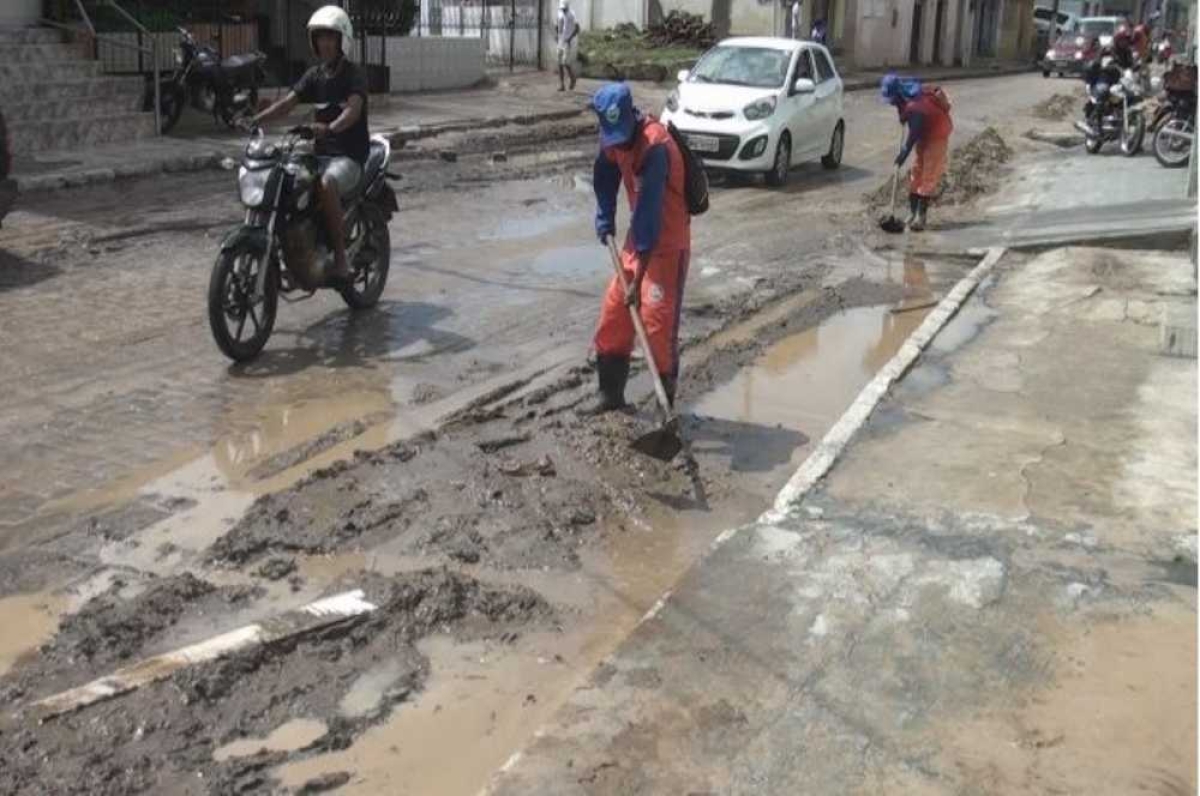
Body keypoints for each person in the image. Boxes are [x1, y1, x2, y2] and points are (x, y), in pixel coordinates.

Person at [585, 83, 691, 414]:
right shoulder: (613, 137)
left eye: (621, 135)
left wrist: (639, 277)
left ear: (631, 116)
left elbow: (649, 214)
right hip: (637, 242)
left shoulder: (655, 145)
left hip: (666, 244)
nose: (617, 142)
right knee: (615, 311)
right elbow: (604, 174)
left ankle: (664, 413)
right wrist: (605, 217)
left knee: (656, 325)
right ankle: (610, 395)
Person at [249, 5, 368, 284]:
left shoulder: (354, 74)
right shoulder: (314, 75)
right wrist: (256, 120)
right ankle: (294, 250)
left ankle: (340, 259)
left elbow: (353, 111)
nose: (324, 43)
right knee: (287, 180)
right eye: (320, 38)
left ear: (342, 41)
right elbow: (287, 103)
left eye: (330, 37)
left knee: (326, 184)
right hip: (321, 153)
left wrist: (329, 128)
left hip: (349, 156)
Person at [881, 73, 953, 232]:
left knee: (929, 174)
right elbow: (906, 115)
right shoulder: (906, 95)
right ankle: (912, 214)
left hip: (937, 134)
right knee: (916, 172)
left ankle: (921, 218)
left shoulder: (916, 108)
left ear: (897, 94)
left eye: (891, 98)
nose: (891, 102)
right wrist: (902, 115)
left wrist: (902, 155)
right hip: (924, 133)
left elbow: (912, 136)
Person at [557, 0, 580, 92]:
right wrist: (557, 35)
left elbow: (578, 28)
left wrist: (570, 38)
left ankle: (573, 78)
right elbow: (559, 25)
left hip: (568, 41)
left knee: (565, 62)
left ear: (568, 7)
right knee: (559, 63)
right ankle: (562, 85)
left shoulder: (572, 15)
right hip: (561, 40)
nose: (563, 10)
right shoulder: (559, 13)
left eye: (565, 9)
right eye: (562, 8)